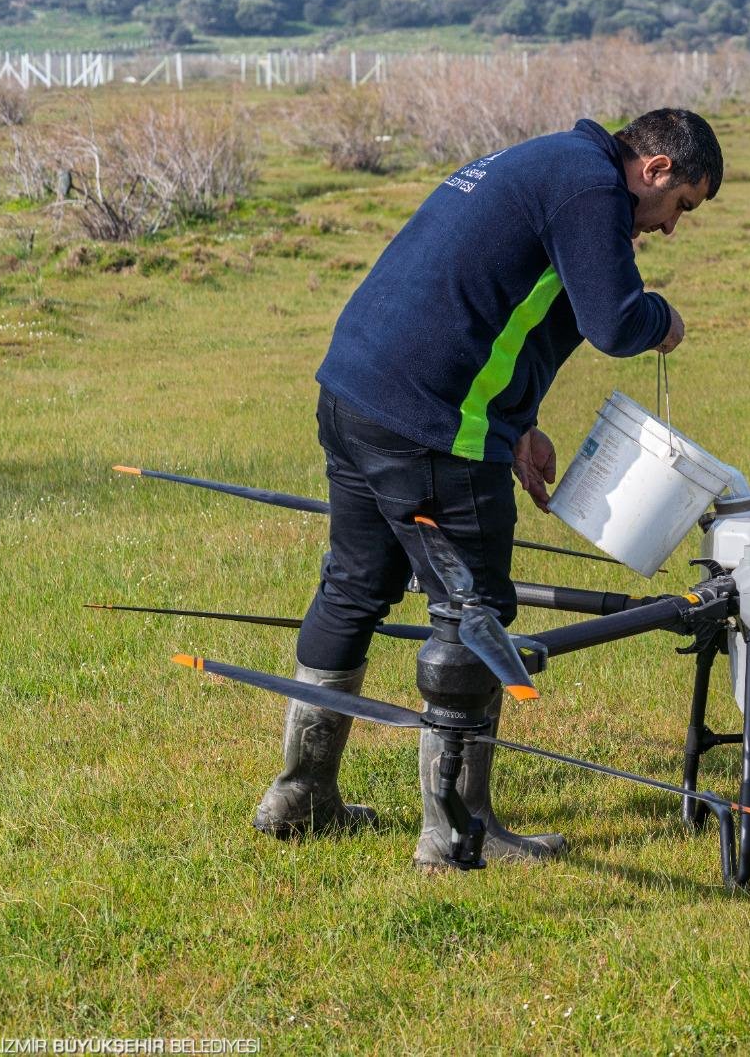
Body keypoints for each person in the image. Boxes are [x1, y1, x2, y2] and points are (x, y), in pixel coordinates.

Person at [251, 108, 723, 869]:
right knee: (473, 615)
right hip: (430, 425)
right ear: (658, 169)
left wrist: (519, 423)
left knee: (353, 588)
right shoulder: (591, 189)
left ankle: (301, 795)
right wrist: (662, 318)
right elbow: (611, 320)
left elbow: (518, 309)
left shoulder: (551, 163)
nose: (670, 228)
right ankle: (457, 835)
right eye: (682, 207)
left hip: (354, 395)